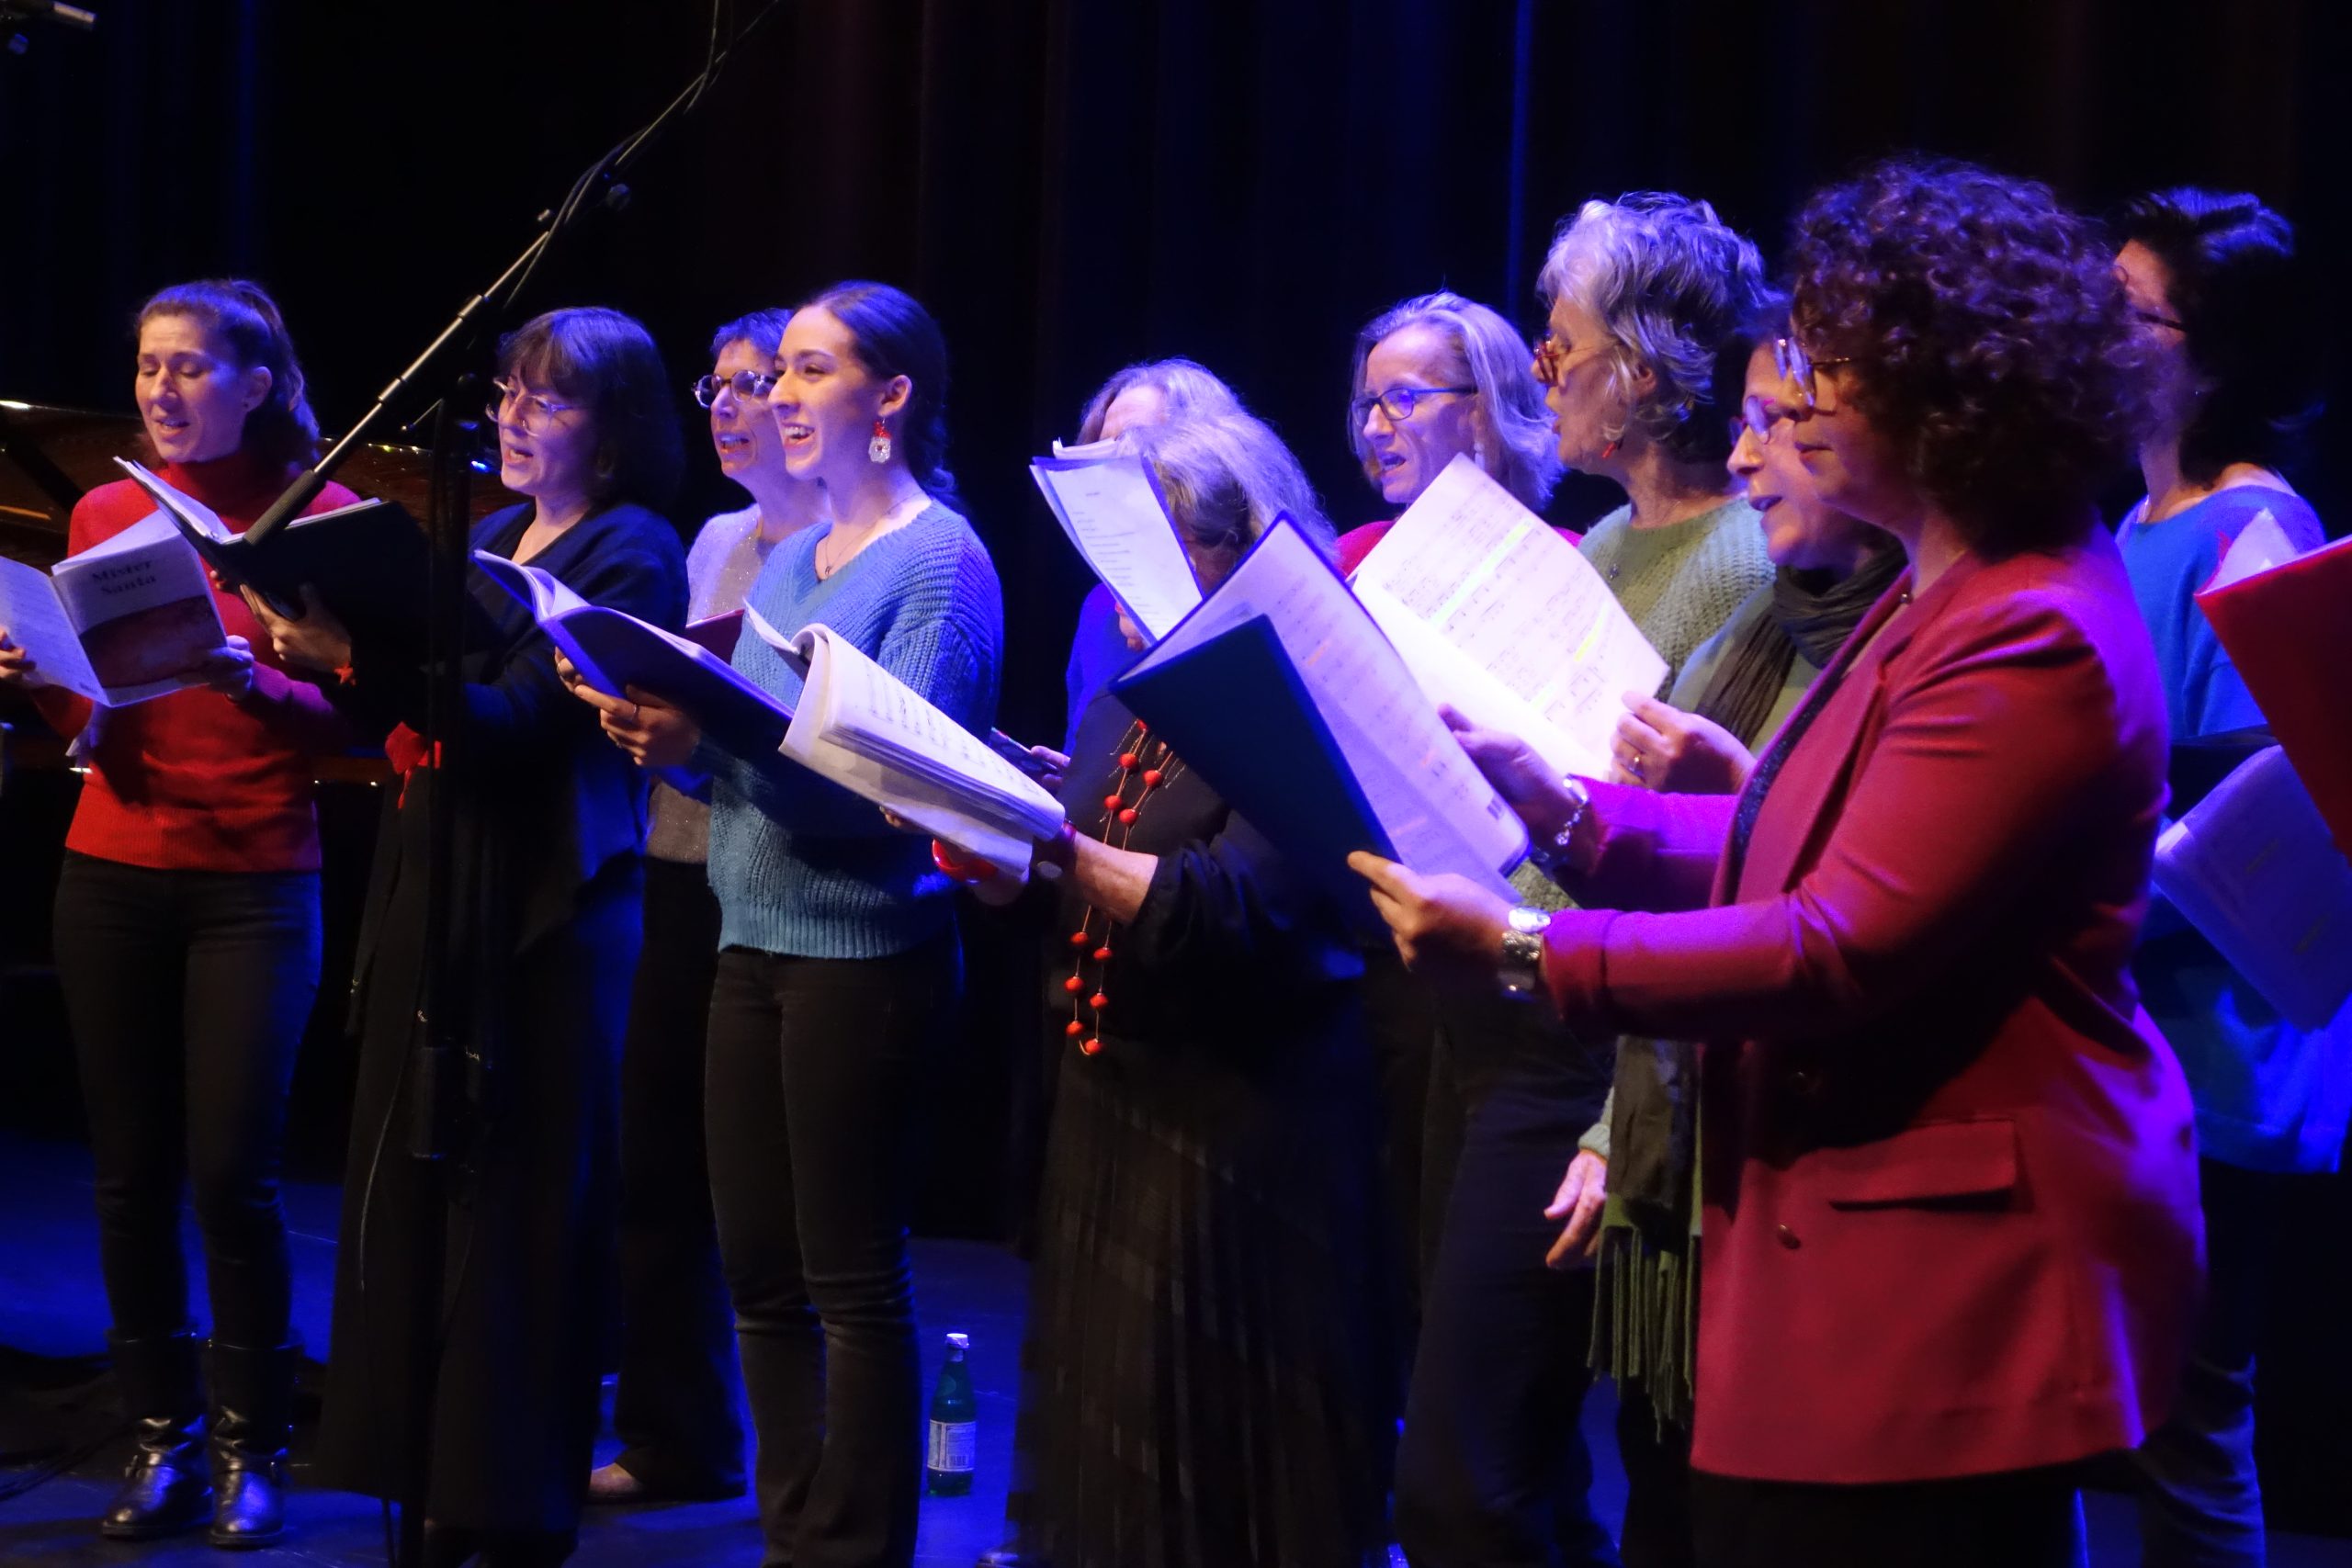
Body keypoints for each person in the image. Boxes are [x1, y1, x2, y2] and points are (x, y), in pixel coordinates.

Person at [1353, 157, 2202, 1568]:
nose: (1793, 391)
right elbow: (1787, 838)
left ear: (1940, 384)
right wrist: (1571, 813)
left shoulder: (2028, 621)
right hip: (1855, 1259)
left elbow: (1833, 941)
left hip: (1934, 1285)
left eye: (1825, 354)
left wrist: (1525, 943)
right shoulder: (1946, 581)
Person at [254, 306, 688, 1567]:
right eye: (507, 389)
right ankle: (429, 1470)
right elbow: (436, 708)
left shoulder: (631, 551)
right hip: (439, 875)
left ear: (610, 431)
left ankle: (516, 1496)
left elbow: (520, 726)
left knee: (522, 1203)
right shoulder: (491, 530)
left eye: (546, 398)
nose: (511, 414)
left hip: (548, 906)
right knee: (423, 1180)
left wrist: (360, 663)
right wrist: (336, 655)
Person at [574, 280, 1001, 1568]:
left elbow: (896, 798)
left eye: (811, 372)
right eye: (777, 377)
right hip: (747, 935)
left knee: (850, 1276)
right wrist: (671, 737)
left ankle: (852, 1543)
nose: (778, 399)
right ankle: (794, 1527)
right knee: (757, 1268)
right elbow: (749, 769)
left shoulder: (940, 557)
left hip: (865, 956)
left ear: (891, 395)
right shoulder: (796, 555)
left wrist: (720, 742)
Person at [1392, 197, 1773, 1568]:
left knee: (1484, 1472)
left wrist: (1616, 1121)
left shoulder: (1737, 557)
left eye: (1561, 348)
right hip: (1508, 1007)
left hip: (1604, 1048)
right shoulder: (1599, 546)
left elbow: (1714, 857)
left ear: (1648, 367)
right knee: (1508, 1467)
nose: (1543, 375)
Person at [949, 411, 1392, 1568]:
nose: (1126, 583)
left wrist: (1052, 849)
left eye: (1163, 545)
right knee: (1112, 1429)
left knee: (1220, 1451)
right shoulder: (1134, 686)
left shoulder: (1305, 688)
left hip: (1241, 1129)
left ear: (1242, 543)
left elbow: (1235, 908)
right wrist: (997, 851)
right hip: (1116, 1102)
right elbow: (1092, 851)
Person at [1549, 294, 1905, 1568]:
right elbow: (1664, 876)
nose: (1746, 453)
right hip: (1683, 1167)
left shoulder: (1915, 643)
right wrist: (1607, 1128)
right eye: (1748, 421)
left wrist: (1729, 787)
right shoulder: (1752, 632)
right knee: (1666, 1496)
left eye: (1778, 421)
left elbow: (1844, 905)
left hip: (1817, 1177)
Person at [0, 279, 356, 1548]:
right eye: (149, 367)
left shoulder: (321, 520)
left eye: (190, 368)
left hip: (256, 879)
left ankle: (250, 1443)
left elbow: (358, 729)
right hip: (112, 865)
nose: (161, 391)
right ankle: (159, 1431)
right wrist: (43, 675)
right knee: (128, 1174)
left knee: (231, 1174)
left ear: (256, 382)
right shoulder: (102, 506)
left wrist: (249, 677)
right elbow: (93, 719)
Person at [2111, 186, 2351, 1568]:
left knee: (2195, 1424)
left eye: (2127, 308)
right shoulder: (2135, 525)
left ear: (2212, 353)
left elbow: (2266, 812)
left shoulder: (2251, 528)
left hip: (2215, 1049)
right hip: (2135, 1034)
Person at [588, 309, 828, 1506]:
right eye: (719, 384)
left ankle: (802, 1454)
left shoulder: (853, 540)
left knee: (773, 1187)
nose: (732, 406)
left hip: (791, 878)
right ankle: (674, 1430)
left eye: (760, 381)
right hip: (676, 863)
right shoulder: (719, 534)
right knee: (656, 1163)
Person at [1058, 358, 1244, 750]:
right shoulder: (1099, 609)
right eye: (1101, 454)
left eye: (1135, 448)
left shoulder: (1244, 609)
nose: (1109, 473)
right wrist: (1076, 784)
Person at [1339, 288, 1563, 570]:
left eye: (1403, 398)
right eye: (1371, 403)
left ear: (1485, 411)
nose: (1372, 429)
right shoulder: (1348, 559)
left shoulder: (1572, 564)